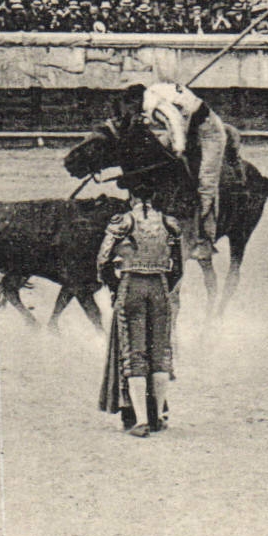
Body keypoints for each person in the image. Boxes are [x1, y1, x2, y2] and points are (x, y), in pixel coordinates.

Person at [97, 186, 184, 437]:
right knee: (160, 353)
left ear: (132, 198)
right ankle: (157, 417)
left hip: (131, 286)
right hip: (160, 287)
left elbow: (102, 261)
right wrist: (166, 285)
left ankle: (142, 421)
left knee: (134, 353)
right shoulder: (169, 224)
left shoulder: (122, 222)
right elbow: (177, 267)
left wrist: (116, 288)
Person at [128, 80, 232, 259]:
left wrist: (178, 150)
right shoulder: (154, 92)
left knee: (206, 182)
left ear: (136, 100)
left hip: (209, 133)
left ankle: (205, 239)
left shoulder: (154, 104)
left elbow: (175, 122)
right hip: (187, 128)